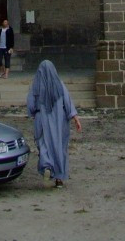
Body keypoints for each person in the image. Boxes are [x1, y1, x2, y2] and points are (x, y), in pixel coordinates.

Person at [26, 59, 82, 188]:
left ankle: (47, 166)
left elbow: (31, 105)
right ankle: (59, 178)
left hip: (42, 120)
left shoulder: (36, 86)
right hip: (59, 121)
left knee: (43, 143)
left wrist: (35, 114)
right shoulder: (59, 85)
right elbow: (68, 102)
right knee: (59, 147)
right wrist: (75, 118)